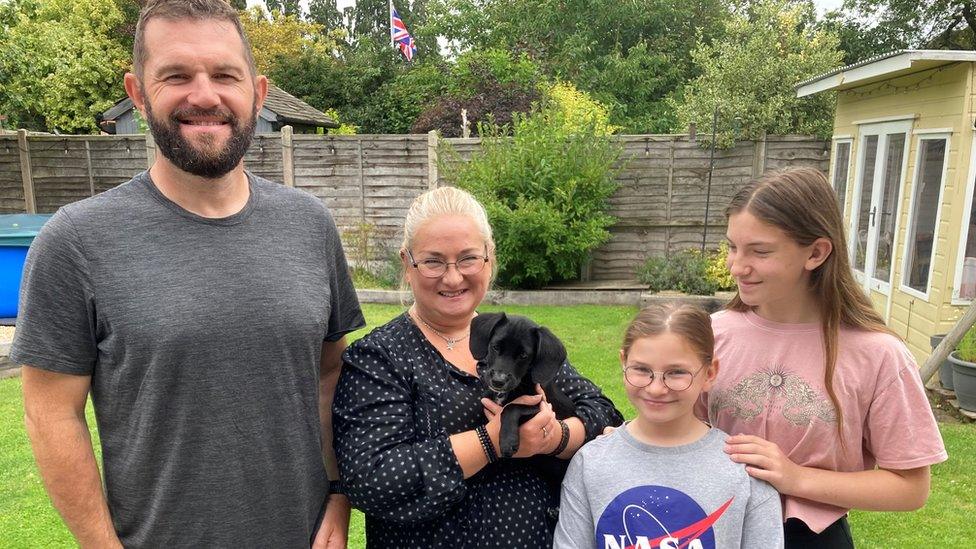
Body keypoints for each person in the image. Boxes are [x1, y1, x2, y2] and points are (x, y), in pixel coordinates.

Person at [12, 1, 364, 547]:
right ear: (137, 92)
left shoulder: (310, 226)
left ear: (258, 92)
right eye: (176, 75)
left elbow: (330, 377)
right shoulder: (76, 241)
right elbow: (51, 414)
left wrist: (339, 497)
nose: (205, 95)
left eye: (226, 75)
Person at [332, 186, 624, 547]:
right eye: (433, 261)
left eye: (468, 258)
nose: (453, 278)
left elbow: (606, 415)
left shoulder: (516, 342)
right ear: (407, 263)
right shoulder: (380, 357)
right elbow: (371, 480)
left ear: (490, 259)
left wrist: (554, 438)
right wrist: (491, 441)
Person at [708, 167, 948, 547]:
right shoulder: (711, 335)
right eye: (733, 247)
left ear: (817, 252)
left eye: (760, 251)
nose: (737, 266)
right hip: (712, 529)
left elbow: (910, 488)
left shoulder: (878, 354)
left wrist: (796, 477)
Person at [554, 303, 784, 549]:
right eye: (642, 369)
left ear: (709, 373)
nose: (656, 388)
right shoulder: (590, 464)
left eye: (676, 373)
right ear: (623, 362)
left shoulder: (744, 472)